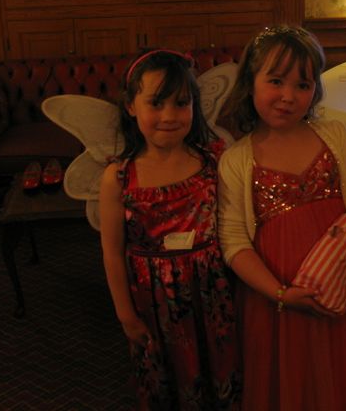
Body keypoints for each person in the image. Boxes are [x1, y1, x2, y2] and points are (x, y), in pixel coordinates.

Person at [217, 26, 346, 410]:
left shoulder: (334, 135)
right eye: (275, 81)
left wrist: (342, 238)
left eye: (303, 85)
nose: (288, 96)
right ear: (250, 82)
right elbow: (233, 242)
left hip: (338, 283)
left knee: (341, 369)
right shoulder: (236, 159)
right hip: (274, 298)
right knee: (289, 376)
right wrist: (279, 293)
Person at [98, 49, 241, 410]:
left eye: (181, 103)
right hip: (154, 300)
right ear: (131, 106)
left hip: (212, 294)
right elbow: (112, 252)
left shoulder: (213, 161)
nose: (169, 116)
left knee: (218, 370)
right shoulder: (119, 177)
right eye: (156, 103)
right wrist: (125, 315)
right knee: (167, 378)